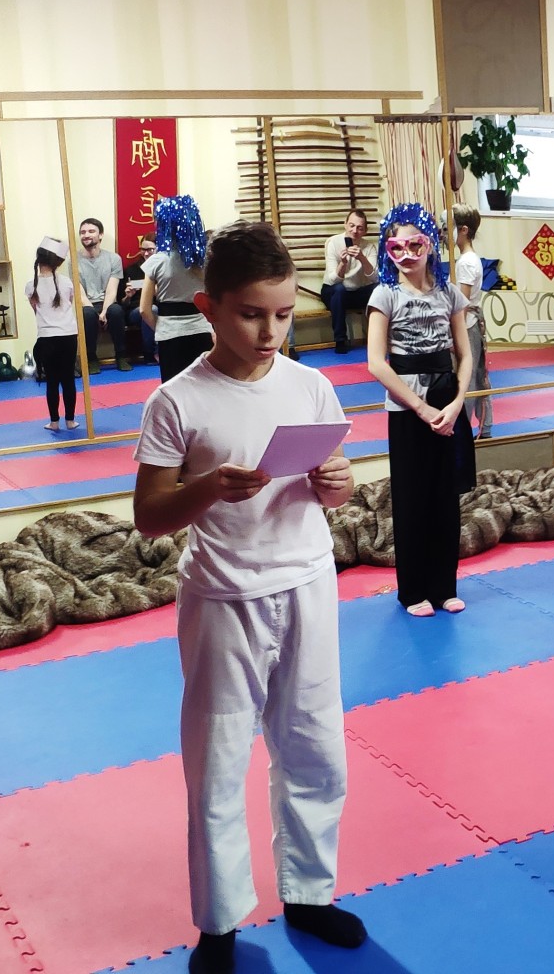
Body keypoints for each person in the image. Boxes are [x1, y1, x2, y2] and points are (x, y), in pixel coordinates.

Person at [131, 220, 364, 973]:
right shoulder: (177, 401)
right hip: (224, 597)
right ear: (208, 307)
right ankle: (220, 922)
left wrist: (340, 484)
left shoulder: (311, 385)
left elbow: (334, 486)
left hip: (308, 582)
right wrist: (205, 489)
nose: (270, 332)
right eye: (251, 314)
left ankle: (309, 893)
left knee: (316, 746)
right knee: (218, 762)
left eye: (284, 314)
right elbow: (149, 516)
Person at [366, 203, 475, 618]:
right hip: (406, 405)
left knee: (445, 496)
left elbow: (464, 354)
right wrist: (420, 408)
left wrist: (457, 401)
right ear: (387, 250)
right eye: (397, 247)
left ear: (431, 245)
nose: (407, 254)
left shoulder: (449, 293)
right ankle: (412, 590)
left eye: (416, 245)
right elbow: (376, 363)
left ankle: (444, 586)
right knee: (411, 497)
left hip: (446, 397)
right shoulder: (385, 294)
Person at [142, 196, 215, 383]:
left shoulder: (157, 261)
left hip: (170, 333)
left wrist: (160, 327)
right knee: (204, 385)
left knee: (173, 387)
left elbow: (144, 310)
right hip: (202, 330)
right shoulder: (205, 260)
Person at [29, 238, 83, 432]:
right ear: (58, 262)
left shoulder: (31, 286)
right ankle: (70, 421)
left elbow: (35, 310)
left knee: (52, 380)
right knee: (68, 378)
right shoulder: (67, 282)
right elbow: (69, 303)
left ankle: (54, 422)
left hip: (47, 337)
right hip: (68, 335)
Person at [450, 203, 493, 438]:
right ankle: (481, 428)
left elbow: (463, 303)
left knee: (469, 378)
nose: (446, 233)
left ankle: (468, 428)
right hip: (469, 323)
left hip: (467, 325)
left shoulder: (467, 262)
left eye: (450, 227)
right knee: (474, 375)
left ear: (464, 230)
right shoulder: (466, 259)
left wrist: (453, 333)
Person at [76, 217, 129, 373]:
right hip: (88, 304)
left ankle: (121, 356)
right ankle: (91, 358)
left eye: (91, 231)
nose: (86, 235)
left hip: (108, 302)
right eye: (83, 232)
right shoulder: (74, 260)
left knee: (116, 311)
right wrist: (94, 312)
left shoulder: (113, 259)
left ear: (100, 235)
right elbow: (79, 292)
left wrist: (104, 312)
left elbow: (112, 290)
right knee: (87, 314)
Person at [321, 209, 377, 354]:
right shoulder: (333, 242)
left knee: (379, 288)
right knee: (339, 289)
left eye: (360, 228)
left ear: (365, 231)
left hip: (356, 292)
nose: (355, 231)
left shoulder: (369, 247)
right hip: (333, 292)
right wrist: (343, 263)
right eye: (351, 226)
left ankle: (379, 337)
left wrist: (362, 258)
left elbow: (374, 278)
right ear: (345, 224)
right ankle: (340, 340)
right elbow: (332, 280)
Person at [125, 235, 159, 365]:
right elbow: (122, 303)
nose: (145, 253)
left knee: (155, 310)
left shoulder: (163, 269)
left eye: (150, 250)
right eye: (143, 249)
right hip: (135, 310)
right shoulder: (131, 270)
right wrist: (128, 296)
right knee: (150, 310)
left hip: (160, 307)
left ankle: (157, 352)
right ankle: (151, 353)